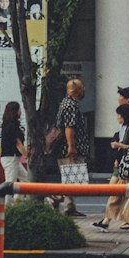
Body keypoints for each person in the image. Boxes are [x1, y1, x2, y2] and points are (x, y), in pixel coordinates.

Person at [91, 104, 129, 232]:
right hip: (125, 168)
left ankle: (109, 221)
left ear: (124, 116)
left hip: (128, 170)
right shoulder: (126, 129)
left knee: (117, 195)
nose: (117, 118)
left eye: (119, 116)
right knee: (121, 195)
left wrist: (120, 145)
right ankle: (108, 220)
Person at [52, 78, 89, 217]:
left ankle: (69, 206)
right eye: (82, 88)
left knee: (70, 178)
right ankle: (54, 197)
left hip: (68, 148)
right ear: (76, 90)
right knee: (73, 180)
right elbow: (69, 127)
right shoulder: (70, 105)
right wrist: (71, 146)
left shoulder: (67, 104)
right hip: (70, 149)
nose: (83, 90)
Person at [0, 101, 27, 199]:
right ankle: (7, 207)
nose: (21, 112)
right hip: (11, 158)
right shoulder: (13, 126)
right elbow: (18, 143)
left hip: (12, 158)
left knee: (26, 179)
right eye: (19, 109)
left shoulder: (7, 124)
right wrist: (27, 155)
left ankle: (17, 200)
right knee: (10, 183)